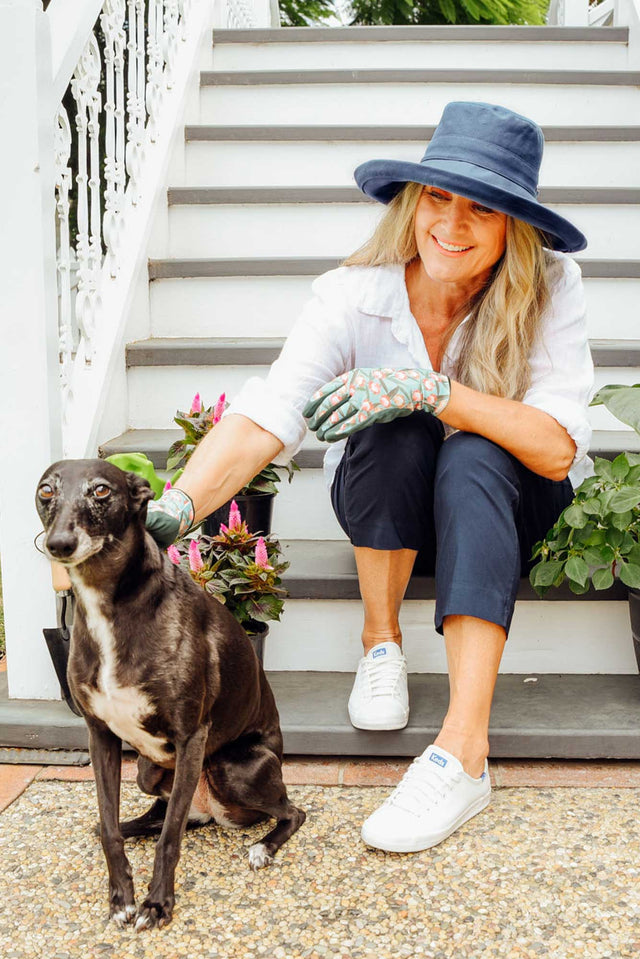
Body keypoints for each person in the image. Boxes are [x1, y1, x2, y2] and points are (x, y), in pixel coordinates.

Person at [147, 101, 594, 854]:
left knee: (474, 449)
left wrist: (439, 392)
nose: (451, 223)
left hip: (503, 500)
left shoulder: (552, 284)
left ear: (513, 225)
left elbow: (555, 449)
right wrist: (177, 507)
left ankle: (464, 751)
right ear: (414, 202)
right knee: (389, 425)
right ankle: (380, 641)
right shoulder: (354, 291)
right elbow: (269, 414)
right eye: (439, 198)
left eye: (480, 208)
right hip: (397, 494)